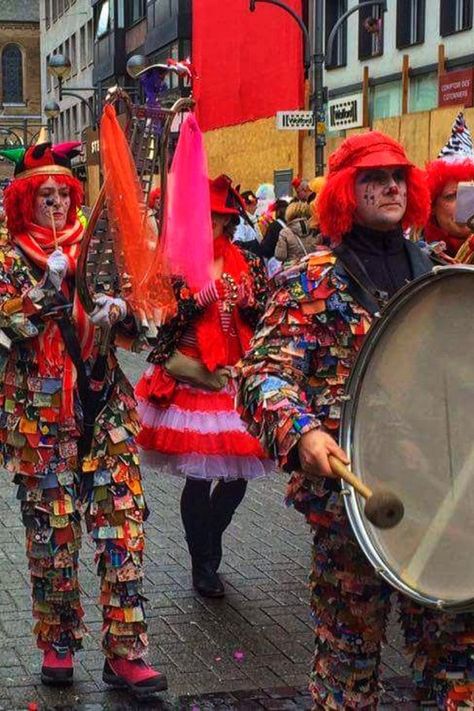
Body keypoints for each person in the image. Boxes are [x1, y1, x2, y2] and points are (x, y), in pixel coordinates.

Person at [238, 131, 474, 709]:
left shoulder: (440, 272)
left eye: (398, 176)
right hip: (354, 504)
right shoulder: (309, 279)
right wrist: (304, 430)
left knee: (457, 669)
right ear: (347, 191)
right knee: (348, 668)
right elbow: (261, 374)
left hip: (442, 501)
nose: (391, 186)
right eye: (374, 178)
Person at [0, 140, 167, 696]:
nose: (55, 203)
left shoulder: (99, 246)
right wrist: (35, 301)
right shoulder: (6, 254)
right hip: (38, 415)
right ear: (24, 200)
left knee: (124, 526)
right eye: (42, 195)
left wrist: (123, 309)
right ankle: (58, 642)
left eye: (62, 194)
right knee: (54, 533)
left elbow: (147, 316)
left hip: (104, 405)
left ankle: (126, 653)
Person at [135, 175, 274, 599]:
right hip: (192, 376)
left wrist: (251, 301)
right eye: (215, 219)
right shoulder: (179, 264)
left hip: (234, 376)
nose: (222, 227)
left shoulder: (247, 261)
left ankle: (209, 540)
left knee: (236, 478)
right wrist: (201, 298)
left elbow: (267, 313)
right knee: (198, 478)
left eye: (227, 221)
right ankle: (203, 563)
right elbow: (163, 324)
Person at [424, 112, 474, 259]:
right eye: (452, 196)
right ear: (432, 206)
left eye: (471, 193)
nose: (466, 203)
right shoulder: (415, 257)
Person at [232, 189, 261, 254]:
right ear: (246, 205)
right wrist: (255, 244)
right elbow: (237, 243)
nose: (256, 207)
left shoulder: (249, 219)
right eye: (254, 204)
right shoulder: (240, 221)